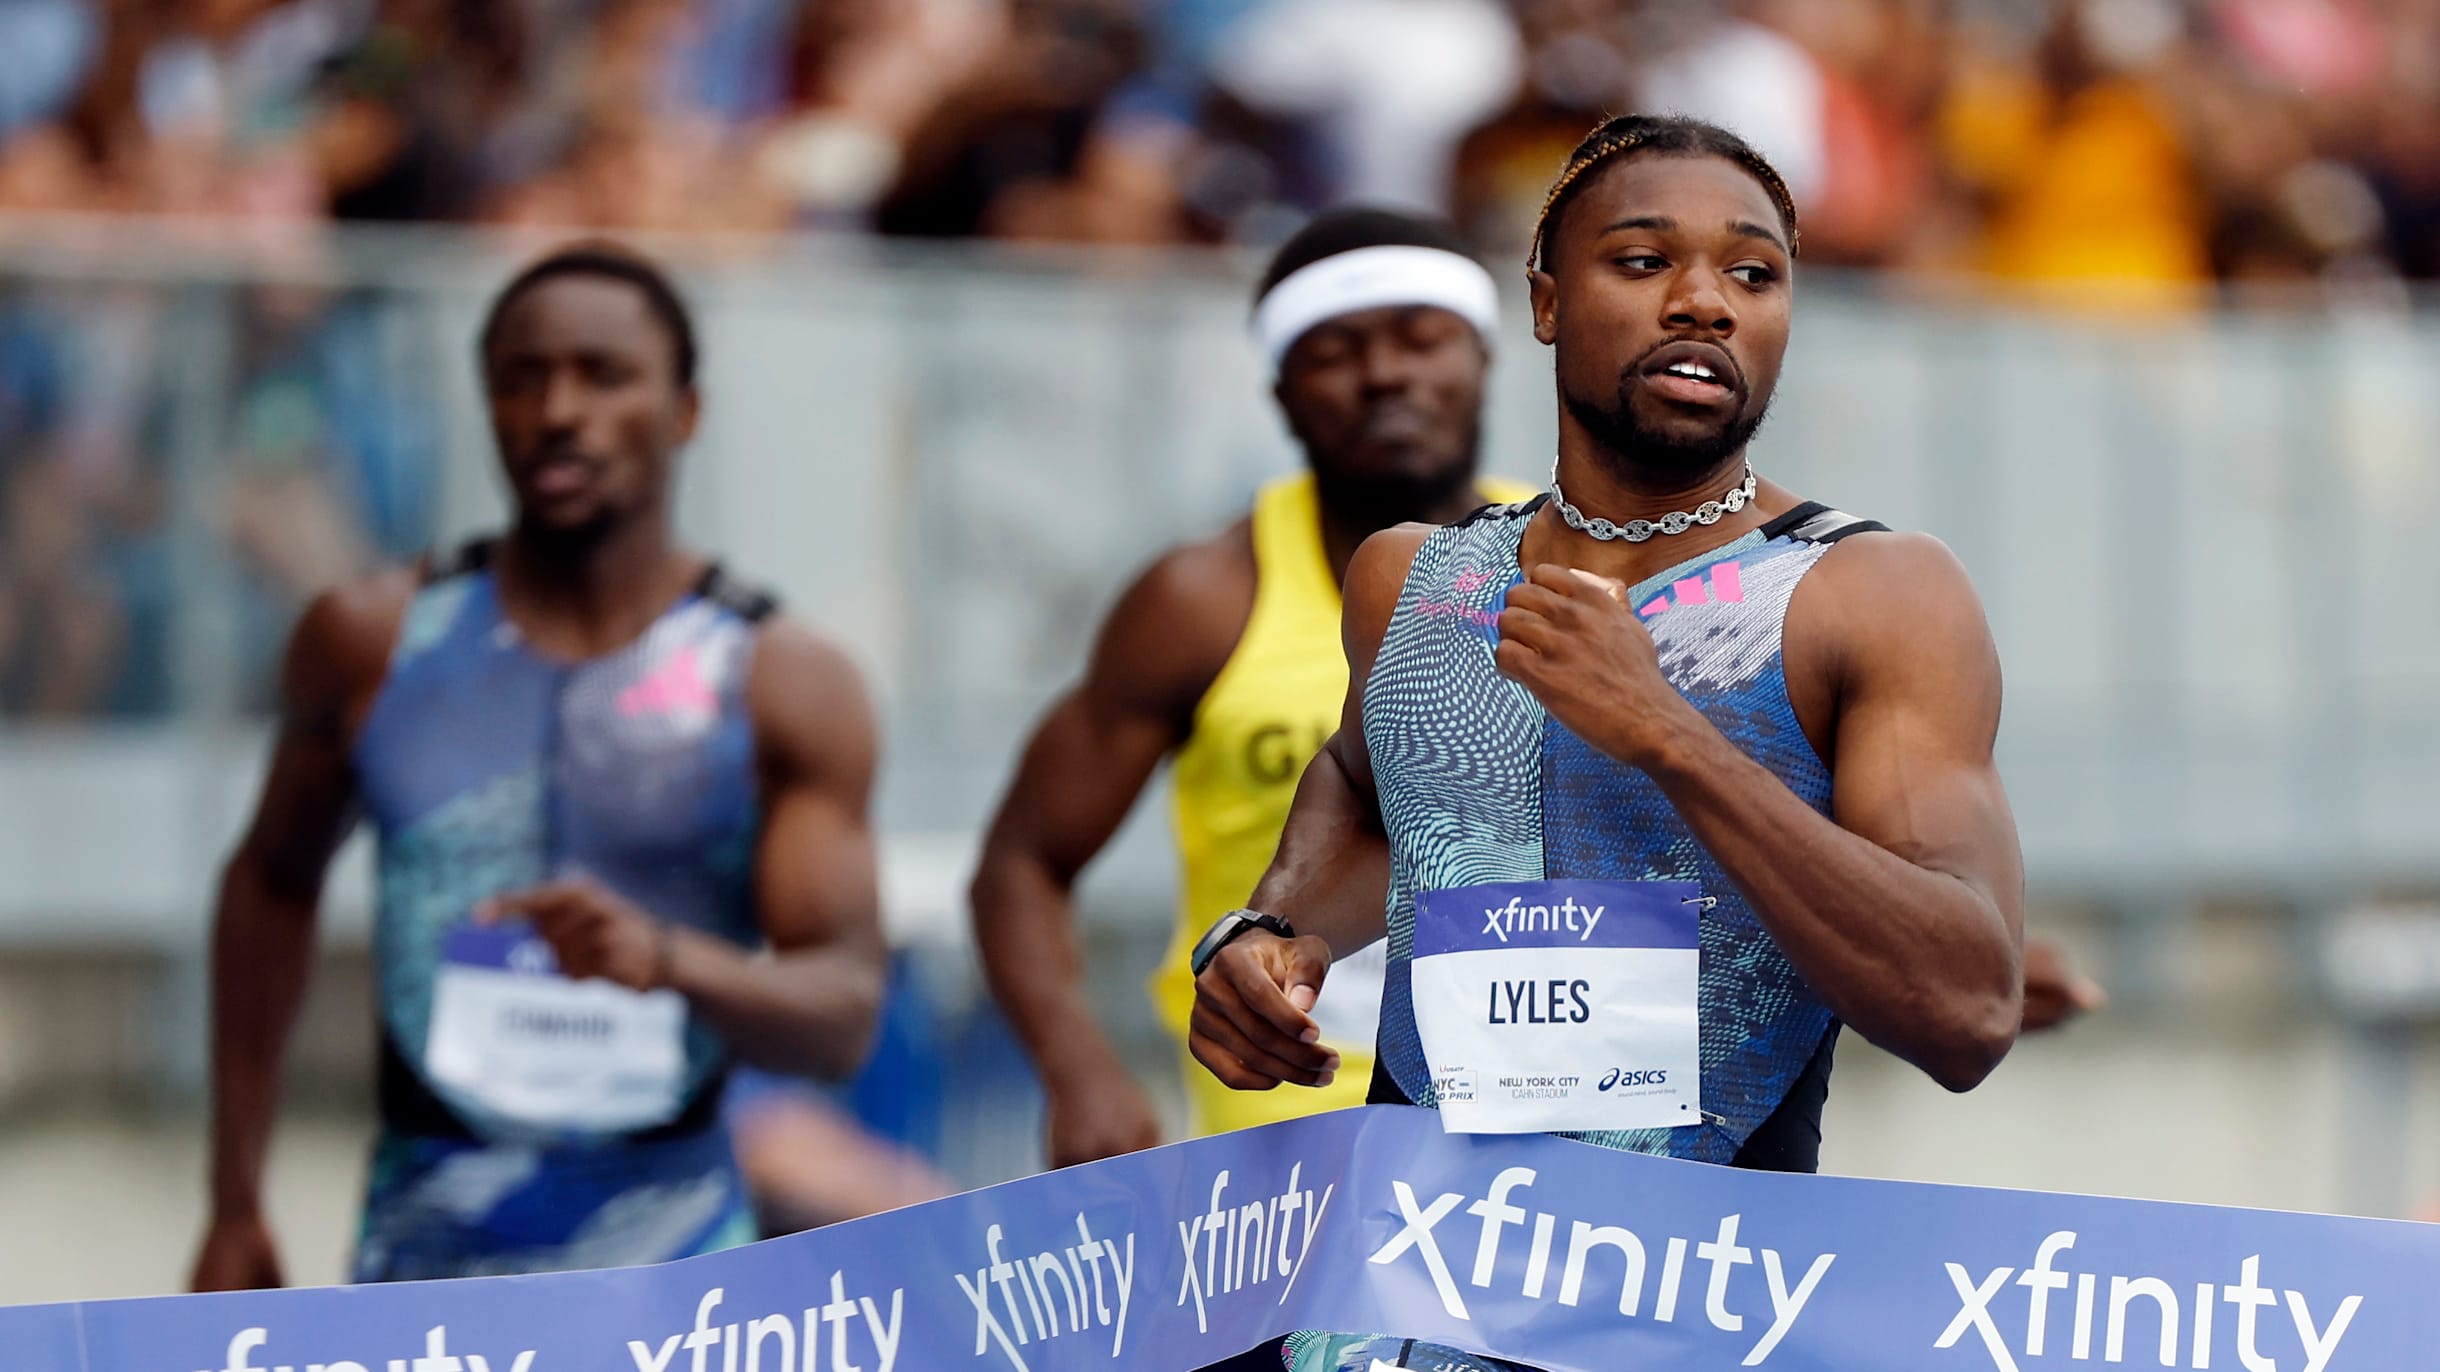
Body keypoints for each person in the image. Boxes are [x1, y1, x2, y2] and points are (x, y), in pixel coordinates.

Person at [1189, 114, 2028, 1372]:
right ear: (1543, 301)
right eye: (1642, 262)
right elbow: (1371, 792)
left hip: (1682, 1316)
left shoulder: (1870, 594)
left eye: (1753, 273)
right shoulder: (1414, 579)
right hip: (1387, 1307)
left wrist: (1666, 735)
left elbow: (1965, 1005)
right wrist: (1269, 936)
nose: (1703, 302)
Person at [188, 243, 888, 1286]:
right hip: (423, 1265)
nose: (559, 411)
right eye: (522, 379)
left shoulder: (779, 679)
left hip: (677, 1268)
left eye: (604, 376)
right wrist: (235, 1198)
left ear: (685, 411)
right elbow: (269, 886)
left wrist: (665, 957)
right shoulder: (371, 642)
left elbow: (841, 1019)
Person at [971, 208, 1538, 1169]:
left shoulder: (1585, 568)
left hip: (1538, 1132)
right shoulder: (1202, 600)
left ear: (1483, 358)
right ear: (1281, 393)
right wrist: (1081, 1073)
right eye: (1336, 351)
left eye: (1423, 338)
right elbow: (1020, 864)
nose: (1386, 374)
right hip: (1282, 1168)